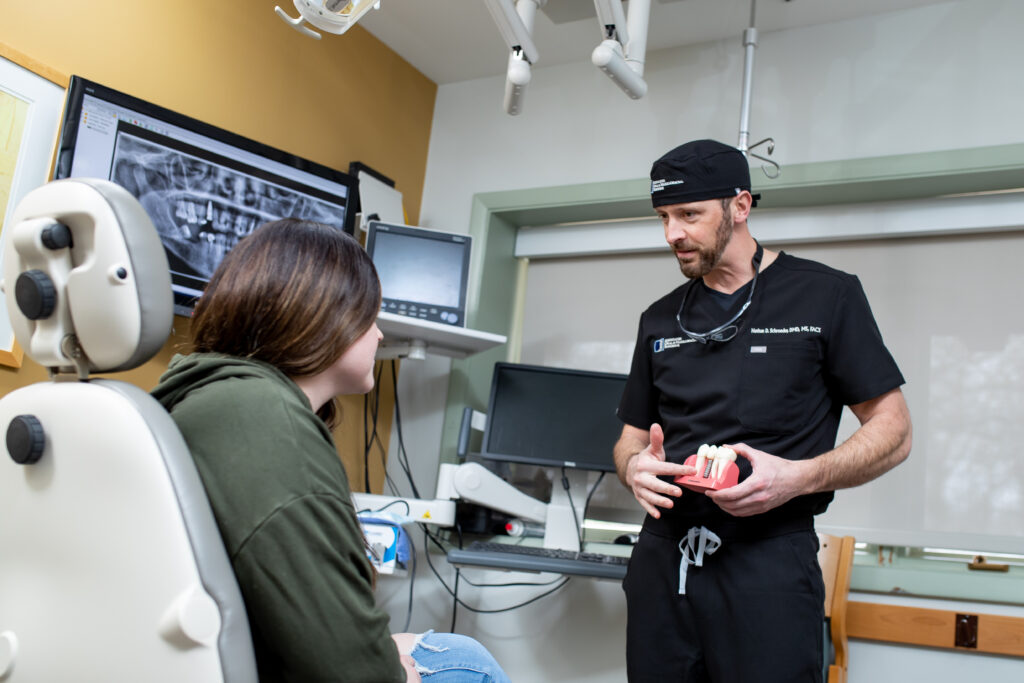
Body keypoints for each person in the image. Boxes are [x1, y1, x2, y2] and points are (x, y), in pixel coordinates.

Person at [152, 218, 510, 683]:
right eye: (370, 318)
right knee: (469, 665)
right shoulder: (265, 420)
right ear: (324, 315)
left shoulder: (202, 394)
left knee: (456, 648)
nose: (380, 336)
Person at [614, 140, 912, 683]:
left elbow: (894, 429)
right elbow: (630, 437)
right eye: (663, 217)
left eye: (689, 214)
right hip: (663, 564)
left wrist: (800, 477)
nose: (672, 233)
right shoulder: (657, 320)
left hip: (768, 565)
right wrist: (634, 466)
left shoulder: (826, 297)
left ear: (740, 206)